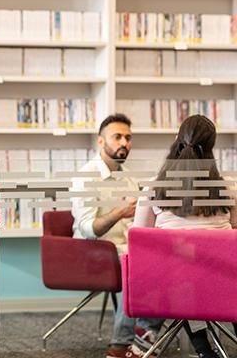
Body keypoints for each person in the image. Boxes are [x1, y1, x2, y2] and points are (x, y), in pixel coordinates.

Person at [133, 114, 237, 358]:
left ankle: (202, 349)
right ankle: (204, 348)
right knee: (201, 275)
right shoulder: (228, 193)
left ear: (176, 140)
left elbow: (138, 243)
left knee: (184, 277)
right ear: (211, 149)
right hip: (224, 287)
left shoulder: (153, 190)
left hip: (171, 289)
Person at [71, 113, 163, 358]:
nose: (124, 142)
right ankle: (122, 345)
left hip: (124, 249)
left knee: (161, 265)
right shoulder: (86, 177)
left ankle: (142, 340)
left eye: (128, 138)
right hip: (92, 252)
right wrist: (120, 212)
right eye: (117, 137)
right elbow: (87, 228)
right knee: (135, 266)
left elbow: (137, 222)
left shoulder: (129, 177)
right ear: (101, 142)